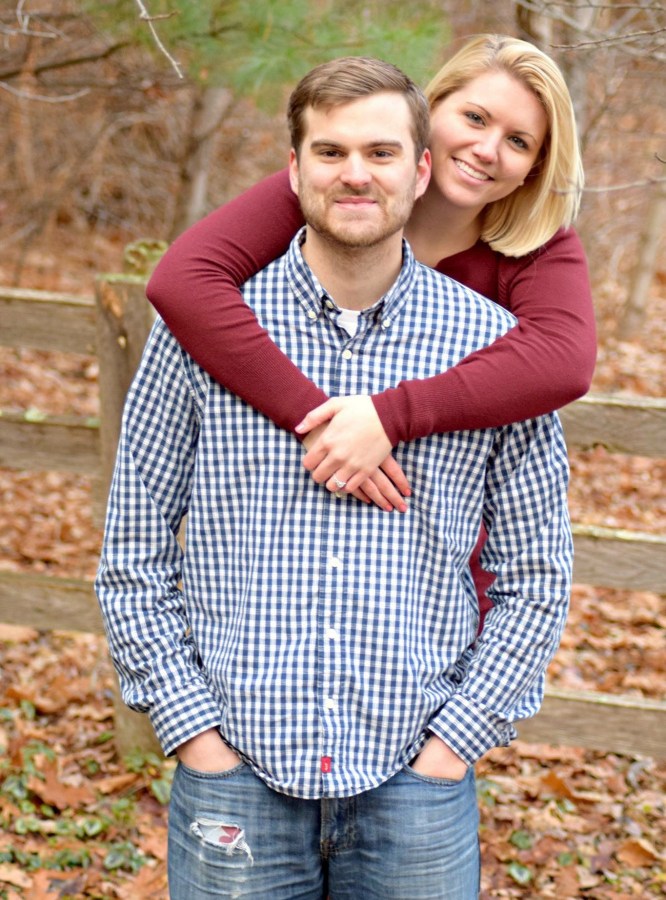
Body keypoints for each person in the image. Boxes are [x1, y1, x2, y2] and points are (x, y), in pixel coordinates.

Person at [96, 57, 572, 898]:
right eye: (331, 152)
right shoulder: (204, 334)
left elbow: (537, 578)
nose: (356, 173)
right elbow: (133, 549)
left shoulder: (497, 351)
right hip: (235, 775)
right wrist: (193, 732)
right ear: (293, 169)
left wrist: (452, 746)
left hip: (415, 786)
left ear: (419, 171)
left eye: (381, 153)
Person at [146, 33, 595, 627]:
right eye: (474, 117)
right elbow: (183, 280)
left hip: (438, 589)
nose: (487, 149)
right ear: (430, 110)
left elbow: (564, 361)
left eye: (518, 141)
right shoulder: (343, 190)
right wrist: (315, 421)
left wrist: (390, 416)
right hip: (275, 586)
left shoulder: (537, 248)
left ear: (534, 168)